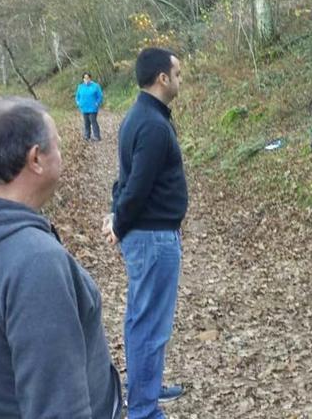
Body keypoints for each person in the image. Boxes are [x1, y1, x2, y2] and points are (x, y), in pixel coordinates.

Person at [0, 97, 121, 419]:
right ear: (36, 159)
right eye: (56, 145)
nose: (62, 154)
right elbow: (60, 409)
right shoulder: (35, 262)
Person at [103, 47, 187, 418]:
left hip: (150, 234)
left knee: (145, 320)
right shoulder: (151, 124)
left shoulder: (142, 116)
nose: (181, 80)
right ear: (162, 78)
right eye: (178, 74)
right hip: (152, 238)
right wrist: (119, 222)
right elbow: (135, 185)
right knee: (148, 325)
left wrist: (116, 215)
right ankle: (143, 409)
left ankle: (148, 389)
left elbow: (125, 180)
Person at [76, 72, 104, 141]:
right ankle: (87, 135)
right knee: (86, 122)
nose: (86, 79)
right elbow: (77, 96)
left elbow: (100, 96)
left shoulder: (95, 86)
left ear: (90, 78)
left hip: (93, 108)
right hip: (84, 108)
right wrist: (78, 103)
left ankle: (97, 136)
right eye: (85, 78)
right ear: (83, 79)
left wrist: (97, 103)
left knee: (93, 121)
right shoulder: (80, 87)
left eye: (87, 78)